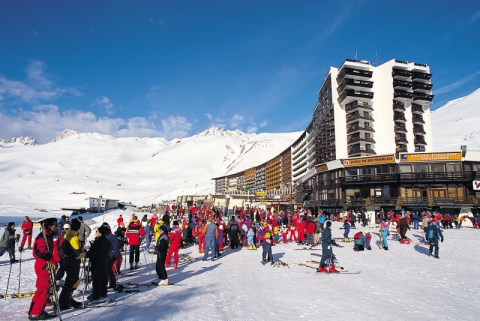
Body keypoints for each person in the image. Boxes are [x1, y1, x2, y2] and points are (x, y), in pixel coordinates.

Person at [28, 218, 61, 320]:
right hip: (44, 266)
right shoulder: (43, 237)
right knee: (46, 289)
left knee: (41, 288)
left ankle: (34, 309)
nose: (56, 227)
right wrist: (52, 261)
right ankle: (36, 312)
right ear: (48, 226)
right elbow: (40, 252)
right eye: (54, 225)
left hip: (45, 265)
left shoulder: (49, 236)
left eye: (56, 225)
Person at [58, 218, 85, 310]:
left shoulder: (67, 235)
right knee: (73, 282)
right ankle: (64, 301)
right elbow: (77, 254)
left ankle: (65, 300)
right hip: (72, 261)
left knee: (71, 281)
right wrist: (85, 253)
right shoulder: (74, 238)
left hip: (66, 260)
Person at [86, 226, 112, 300]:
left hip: (96, 261)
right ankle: (104, 292)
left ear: (100, 233)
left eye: (97, 231)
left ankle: (96, 294)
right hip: (104, 261)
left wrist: (87, 254)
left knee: (96, 278)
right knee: (103, 276)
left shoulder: (98, 241)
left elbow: (92, 253)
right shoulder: (107, 241)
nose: (95, 233)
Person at [102, 223, 119, 289]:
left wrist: (114, 254)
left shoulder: (111, 236)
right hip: (102, 256)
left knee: (108, 270)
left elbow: (116, 245)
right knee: (103, 270)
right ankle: (104, 283)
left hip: (109, 255)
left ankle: (112, 283)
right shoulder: (102, 236)